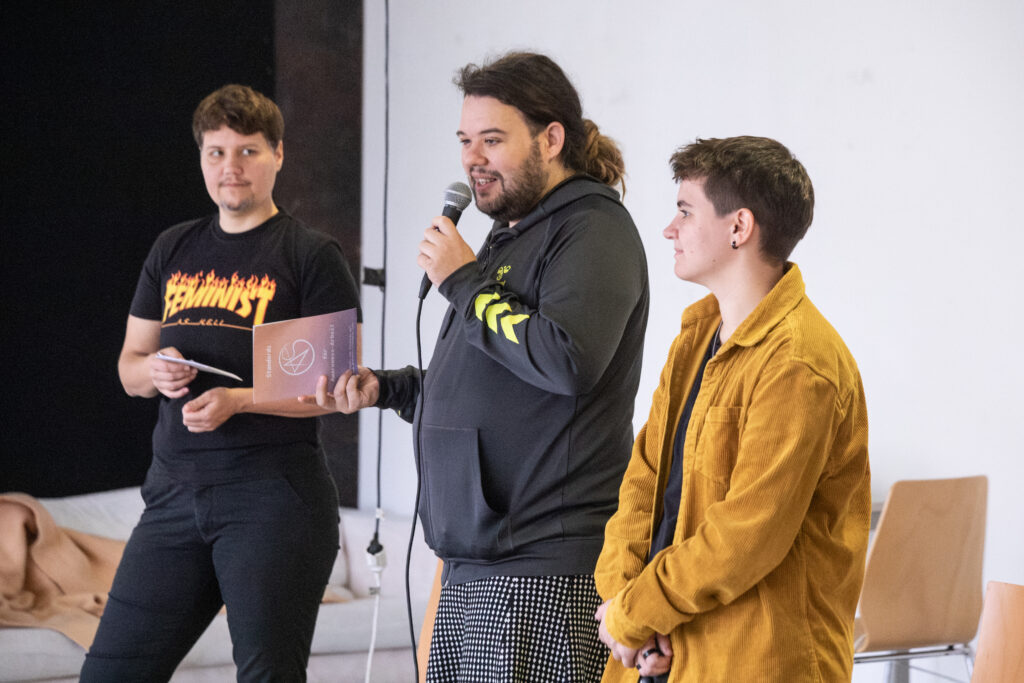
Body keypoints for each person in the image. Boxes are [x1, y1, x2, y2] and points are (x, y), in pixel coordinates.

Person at [312, 52, 649, 681]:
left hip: (542, 568)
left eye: (492, 140)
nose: (473, 159)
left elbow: (565, 360)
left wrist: (463, 281)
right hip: (475, 565)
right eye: (465, 141)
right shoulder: (506, 237)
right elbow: (484, 384)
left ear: (551, 139)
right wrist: (387, 388)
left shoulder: (592, 230)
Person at [81, 84, 361, 682]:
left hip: (272, 501)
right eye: (216, 152)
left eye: (248, 151)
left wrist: (239, 399)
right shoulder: (173, 247)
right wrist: (155, 370)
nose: (230, 167)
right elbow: (130, 367)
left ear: (278, 154)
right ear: (202, 158)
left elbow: (337, 386)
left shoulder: (309, 255)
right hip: (173, 496)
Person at [594, 136, 870, 683]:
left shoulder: (800, 362)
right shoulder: (696, 337)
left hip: (760, 664)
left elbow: (745, 536)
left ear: (739, 227)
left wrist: (637, 613)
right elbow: (642, 482)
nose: (669, 229)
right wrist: (630, 608)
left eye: (685, 211)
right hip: (666, 653)